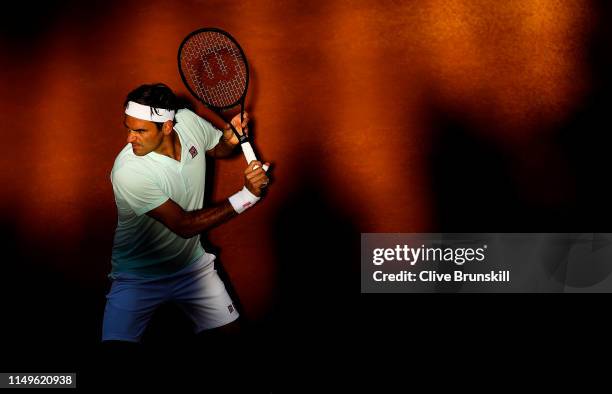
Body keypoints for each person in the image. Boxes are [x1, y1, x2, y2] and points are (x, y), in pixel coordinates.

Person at [101, 83, 269, 382]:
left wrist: (230, 139)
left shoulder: (187, 122)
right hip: (138, 276)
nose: (129, 138)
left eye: (140, 131)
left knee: (239, 354)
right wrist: (248, 195)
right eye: (128, 128)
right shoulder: (128, 171)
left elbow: (216, 147)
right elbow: (183, 225)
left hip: (192, 269)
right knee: (115, 366)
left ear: (167, 126)